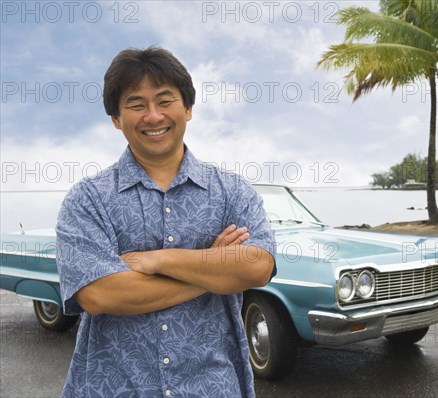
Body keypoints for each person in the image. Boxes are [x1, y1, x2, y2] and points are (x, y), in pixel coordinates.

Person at [56, 46, 276, 397]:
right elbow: (99, 294)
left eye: (165, 100)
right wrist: (212, 269)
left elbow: (257, 266)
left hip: (211, 387)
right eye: (136, 104)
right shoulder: (88, 199)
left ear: (188, 109)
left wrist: (155, 260)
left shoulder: (231, 190)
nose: (153, 116)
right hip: (114, 387)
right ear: (116, 118)